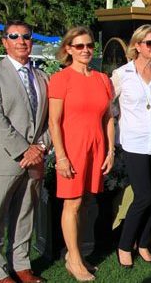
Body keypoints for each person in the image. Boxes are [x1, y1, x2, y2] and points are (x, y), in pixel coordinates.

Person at [0, 20, 49, 283]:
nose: (21, 41)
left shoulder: (42, 77)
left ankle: (21, 265)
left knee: (24, 216)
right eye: (14, 36)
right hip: (3, 160)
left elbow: (50, 120)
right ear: (4, 42)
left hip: (34, 160)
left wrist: (40, 148)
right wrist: (23, 151)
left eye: (26, 36)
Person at [48, 26, 114, 281]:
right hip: (72, 148)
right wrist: (61, 157)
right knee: (72, 203)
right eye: (79, 46)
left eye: (89, 45)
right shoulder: (61, 79)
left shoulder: (102, 79)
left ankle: (74, 254)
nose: (85, 50)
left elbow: (108, 117)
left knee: (86, 202)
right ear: (68, 49)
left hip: (96, 146)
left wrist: (110, 150)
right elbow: (54, 122)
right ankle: (74, 260)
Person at [113, 24, 151, 267]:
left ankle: (144, 243)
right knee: (143, 196)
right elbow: (108, 106)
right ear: (137, 46)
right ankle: (125, 245)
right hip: (134, 143)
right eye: (150, 43)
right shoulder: (121, 74)